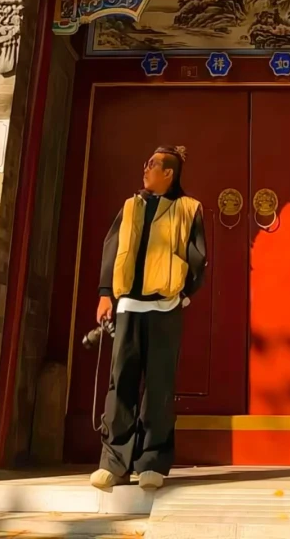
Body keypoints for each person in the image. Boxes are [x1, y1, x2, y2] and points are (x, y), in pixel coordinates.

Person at [90, 144, 207, 492]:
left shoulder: (189, 208)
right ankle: (114, 463)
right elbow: (112, 248)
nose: (145, 169)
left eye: (152, 165)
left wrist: (184, 294)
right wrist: (105, 293)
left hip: (164, 308)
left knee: (159, 387)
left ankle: (152, 462)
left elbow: (198, 256)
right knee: (121, 383)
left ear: (168, 173)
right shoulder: (131, 206)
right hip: (128, 305)